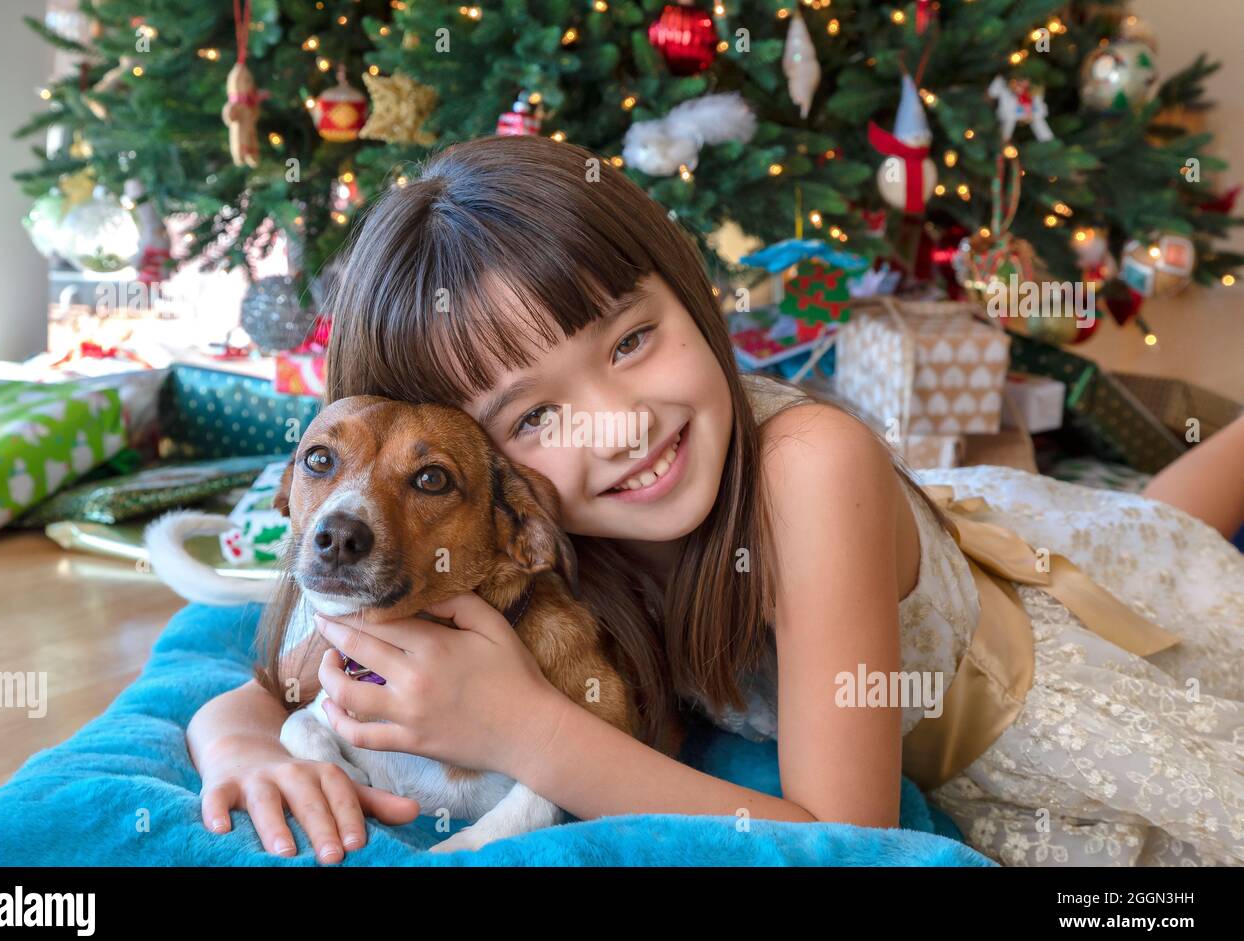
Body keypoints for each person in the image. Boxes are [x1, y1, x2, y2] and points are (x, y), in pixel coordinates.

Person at [186, 134, 1244, 866]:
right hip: (930, 539)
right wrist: (236, 741)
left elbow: (844, 830)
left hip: (1008, 660)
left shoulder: (806, 468)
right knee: (1150, 513)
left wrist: (527, 730)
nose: (625, 422)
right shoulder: (474, 525)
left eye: (633, 339)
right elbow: (274, 669)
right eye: (535, 416)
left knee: (1165, 552)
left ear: (686, 292)